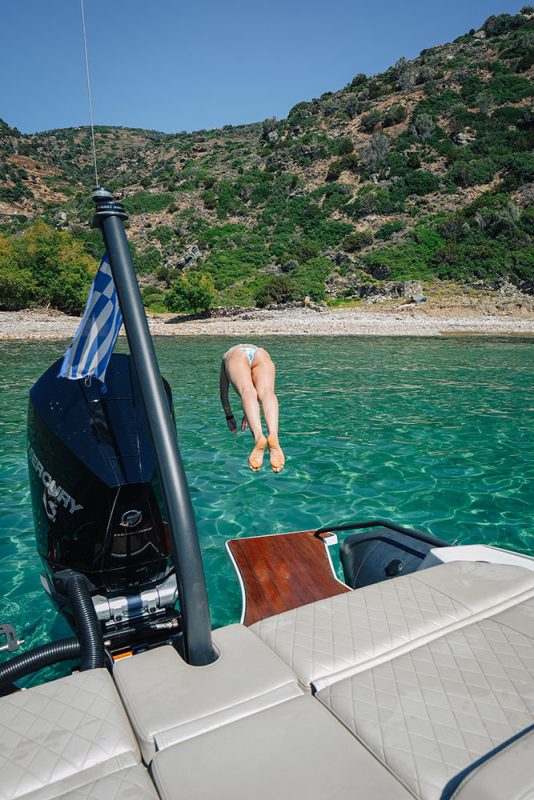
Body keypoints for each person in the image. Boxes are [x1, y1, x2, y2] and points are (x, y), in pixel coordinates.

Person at [220, 344, 285, 473]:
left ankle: (259, 437)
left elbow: (223, 393)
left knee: (247, 390)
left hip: (236, 354)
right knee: (267, 392)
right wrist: (248, 415)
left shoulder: (227, 356)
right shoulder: (258, 351)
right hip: (259, 352)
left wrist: (229, 416)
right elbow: (259, 397)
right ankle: (273, 435)